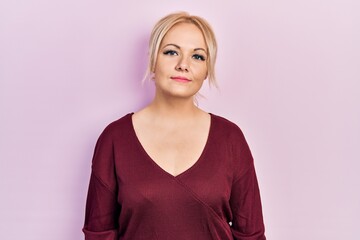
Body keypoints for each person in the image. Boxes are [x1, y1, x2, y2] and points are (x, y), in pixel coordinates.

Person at [83, 12, 266, 240]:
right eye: (171, 52)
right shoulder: (115, 138)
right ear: (153, 60)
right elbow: (98, 233)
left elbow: (252, 234)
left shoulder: (230, 138)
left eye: (197, 57)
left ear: (207, 69)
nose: (183, 65)